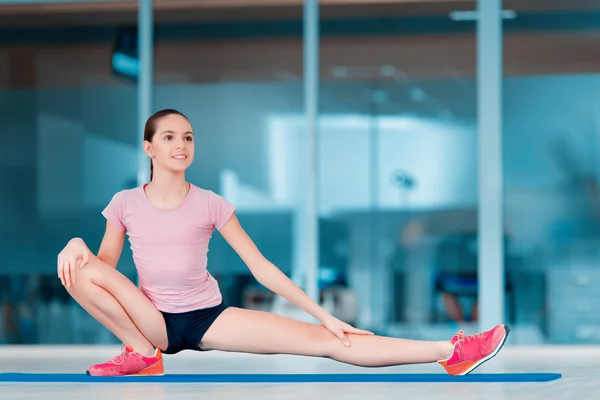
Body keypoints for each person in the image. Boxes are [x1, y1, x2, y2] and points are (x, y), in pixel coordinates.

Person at [57, 109, 510, 377]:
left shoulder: (212, 204)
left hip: (205, 317)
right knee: (82, 266)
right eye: (170, 137)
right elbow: (106, 269)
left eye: (188, 137)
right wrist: (76, 243)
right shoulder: (125, 203)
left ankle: (451, 352)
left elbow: (262, 268)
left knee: (329, 342)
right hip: (148, 319)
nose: (181, 145)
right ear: (149, 148)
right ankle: (140, 351)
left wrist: (326, 316)